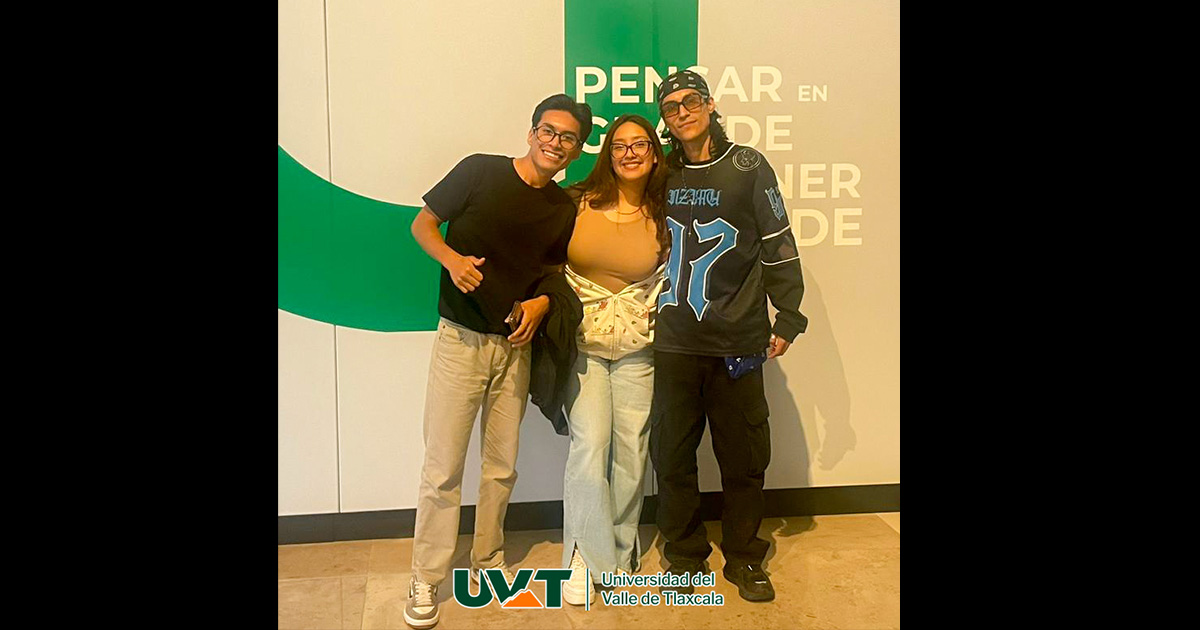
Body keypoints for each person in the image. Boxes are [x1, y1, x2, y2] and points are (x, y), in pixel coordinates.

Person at [404, 94, 592, 629]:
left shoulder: (562, 208)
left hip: (515, 349)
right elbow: (423, 224)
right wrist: (451, 259)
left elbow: (552, 273)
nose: (555, 143)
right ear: (532, 132)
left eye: (568, 138)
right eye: (548, 131)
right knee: (443, 468)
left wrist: (542, 303)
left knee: (501, 467)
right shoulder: (479, 171)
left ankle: (487, 559)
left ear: (577, 150)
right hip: (460, 342)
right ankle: (427, 576)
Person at [650, 70, 808, 603]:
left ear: (711, 104)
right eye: (671, 107)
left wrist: (789, 314)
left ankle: (744, 557)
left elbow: (778, 241)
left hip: (738, 339)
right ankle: (684, 557)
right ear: (665, 120)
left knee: (743, 459)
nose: (682, 112)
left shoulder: (748, 166)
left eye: (690, 101)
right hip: (673, 339)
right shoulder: (662, 171)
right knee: (672, 456)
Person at [558, 114, 669, 606]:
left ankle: (620, 555)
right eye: (619, 145)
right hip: (581, 345)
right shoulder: (576, 201)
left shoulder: (665, 210)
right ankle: (584, 556)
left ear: (654, 154)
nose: (629, 153)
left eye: (639, 144)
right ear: (607, 153)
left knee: (631, 451)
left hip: (638, 349)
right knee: (590, 444)